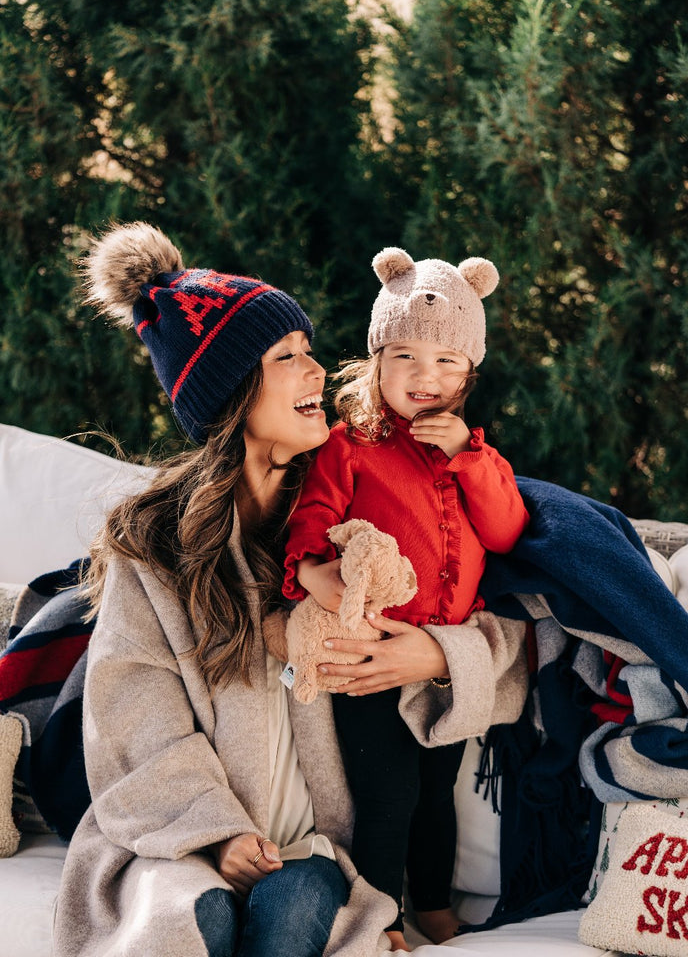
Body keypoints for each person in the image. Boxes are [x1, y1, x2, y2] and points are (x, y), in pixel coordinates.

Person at [51, 223, 528, 957]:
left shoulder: (349, 494)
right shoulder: (156, 545)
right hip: (188, 834)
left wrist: (437, 655)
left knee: (296, 918)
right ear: (235, 393)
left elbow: (503, 613)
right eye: (288, 358)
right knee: (187, 922)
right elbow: (135, 707)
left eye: (310, 351)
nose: (317, 372)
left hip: (315, 847)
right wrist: (216, 830)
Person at [283, 247, 530, 952]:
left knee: (435, 793)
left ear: (470, 372)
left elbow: (507, 528)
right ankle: (383, 916)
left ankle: (435, 906)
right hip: (367, 649)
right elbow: (311, 515)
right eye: (406, 358)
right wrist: (310, 572)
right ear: (376, 359)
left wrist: (468, 456)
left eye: (447, 362)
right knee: (386, 797)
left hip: (442, 660)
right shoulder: (350, 443)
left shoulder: (475, 452)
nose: (427, 377)